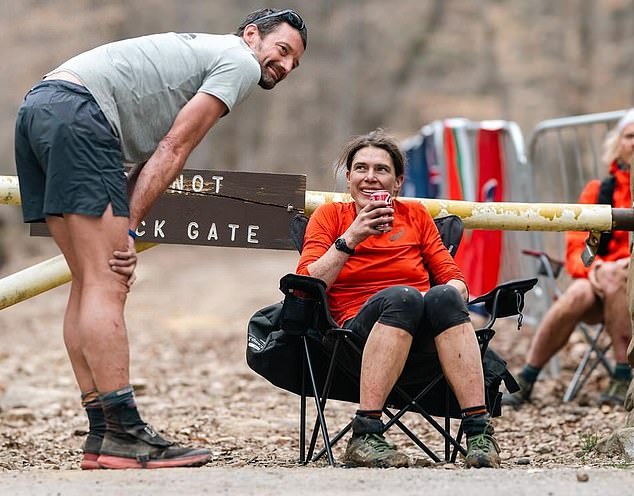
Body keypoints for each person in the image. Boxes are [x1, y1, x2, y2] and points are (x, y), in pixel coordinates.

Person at [13, 8, 307, 470]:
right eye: (283, 50)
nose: (285, 66)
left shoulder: (202, 52)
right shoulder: (240, 61)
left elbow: (147, 157)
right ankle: (126, 432)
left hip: (40, 107)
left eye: (294, 63)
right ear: (252, 35)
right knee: (110, 280)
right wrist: (128, 229)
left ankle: (102, 432)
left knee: (89, 280)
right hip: (79, 113)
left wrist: (125, 221)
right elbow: (174, 148)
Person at [296, 129, 501, 469]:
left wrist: (453, 293)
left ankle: (479, 433)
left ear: (397, 182)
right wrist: (352, 236)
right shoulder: (330, 217)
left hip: (423, 336)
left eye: (382, 170)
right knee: (403, 297)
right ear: (348, 178)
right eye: (361, 168)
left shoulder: (415, 216)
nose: (370, 178)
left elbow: (452, 276)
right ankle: (365, 434)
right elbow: (305, 285)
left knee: (443, 298)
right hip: (354, 335)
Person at [504, 110, 634, 408]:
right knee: (577, 292)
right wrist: (596, 268)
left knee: (617, 276)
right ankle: (528, 376)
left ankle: (623, 372)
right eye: (630, 136)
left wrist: (622, 265)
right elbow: (577, 246)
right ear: (617, 144)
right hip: (600, 281)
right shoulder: (598, 190)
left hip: (631, 282)